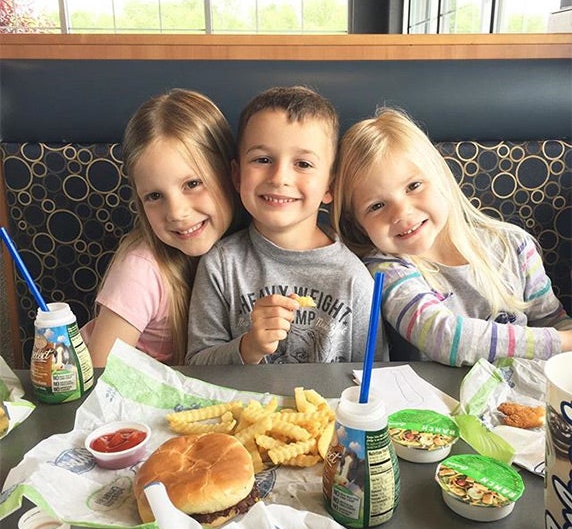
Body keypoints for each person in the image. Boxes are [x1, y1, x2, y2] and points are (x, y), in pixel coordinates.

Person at [332, 107, 572, 368]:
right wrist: (561, 343)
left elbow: (552, 320)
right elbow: (442, 336)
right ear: (358, 223)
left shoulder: (514, 246)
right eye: (377, 206)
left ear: (442, 177)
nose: (402, 213)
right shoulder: (386, 269)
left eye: (413, 186)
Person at [185, 85, 386, 365]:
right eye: (263, 159)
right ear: (237, 176)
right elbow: (196, 364)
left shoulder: (354, 281)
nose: (280, 178)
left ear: (330, 185)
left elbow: (372, 380)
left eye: (303, 164)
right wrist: (248, 347)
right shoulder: (220, 265)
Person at [83, 89, 245, 367]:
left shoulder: (247, 250)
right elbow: (100, 377)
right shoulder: (141, 268)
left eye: (192, 184)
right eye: (155, 196)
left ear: (230, 174)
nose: (177, 213)